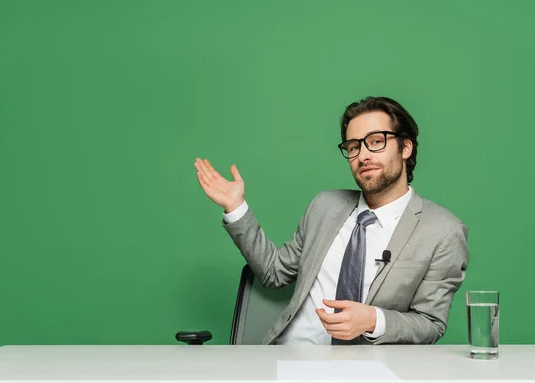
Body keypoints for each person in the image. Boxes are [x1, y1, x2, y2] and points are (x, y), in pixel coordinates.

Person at [194, 96, 469, 345]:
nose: (363, 155)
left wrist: (374, 320)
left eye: (376, 141)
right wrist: (236, 207)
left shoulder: (443, 232)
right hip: (286, 359)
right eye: (353, 146)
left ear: (405, 147)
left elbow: (430, 324)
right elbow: (274, 273)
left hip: (367, 375)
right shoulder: (325, 206)